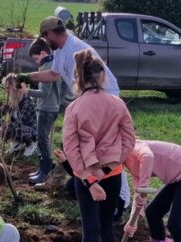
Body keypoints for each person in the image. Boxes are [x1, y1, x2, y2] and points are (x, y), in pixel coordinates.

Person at [22, 16, 129, 208]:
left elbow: (90, 81)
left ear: (50, 34)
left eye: (45, 38)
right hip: (89, 99)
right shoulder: (62, 49)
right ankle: (95, 186)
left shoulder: (75, 50)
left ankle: (120, 199)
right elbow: (54, 75)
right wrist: (26, 77)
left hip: (104, 97)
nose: (46, 42)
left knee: (108, 148)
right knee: (90, 147)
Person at [62, 49, 136, 242]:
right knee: (107, 223)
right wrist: (115, 162)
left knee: (90, 227)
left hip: (87, 178)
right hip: (113, 173)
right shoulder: (117, 103)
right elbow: (129, 139)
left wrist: (90, 178)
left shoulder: (74, 108)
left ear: (79, 78)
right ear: (102, 76)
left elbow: (71, 150)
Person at [24, 37, 63, 184]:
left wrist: (26, 91)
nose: (36, 62)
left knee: (42, 139)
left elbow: (45, 93)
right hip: (47, 107)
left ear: (42, 53)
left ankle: (45, 171)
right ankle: (42, 169)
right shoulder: (49, 66)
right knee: (41, 138)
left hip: (47, 108)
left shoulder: (48, 68)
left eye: (36, 58)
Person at [0, 75, 37, 153]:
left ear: (15, 88)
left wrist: (0, 129)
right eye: (5, 87)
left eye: (8, 88)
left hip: (29, 131)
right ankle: (17, 143)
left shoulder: (27, 102)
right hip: (15, 126)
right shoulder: (10, 101)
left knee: (16, 128)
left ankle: (30, 144)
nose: (6, 90)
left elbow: (18, 123)